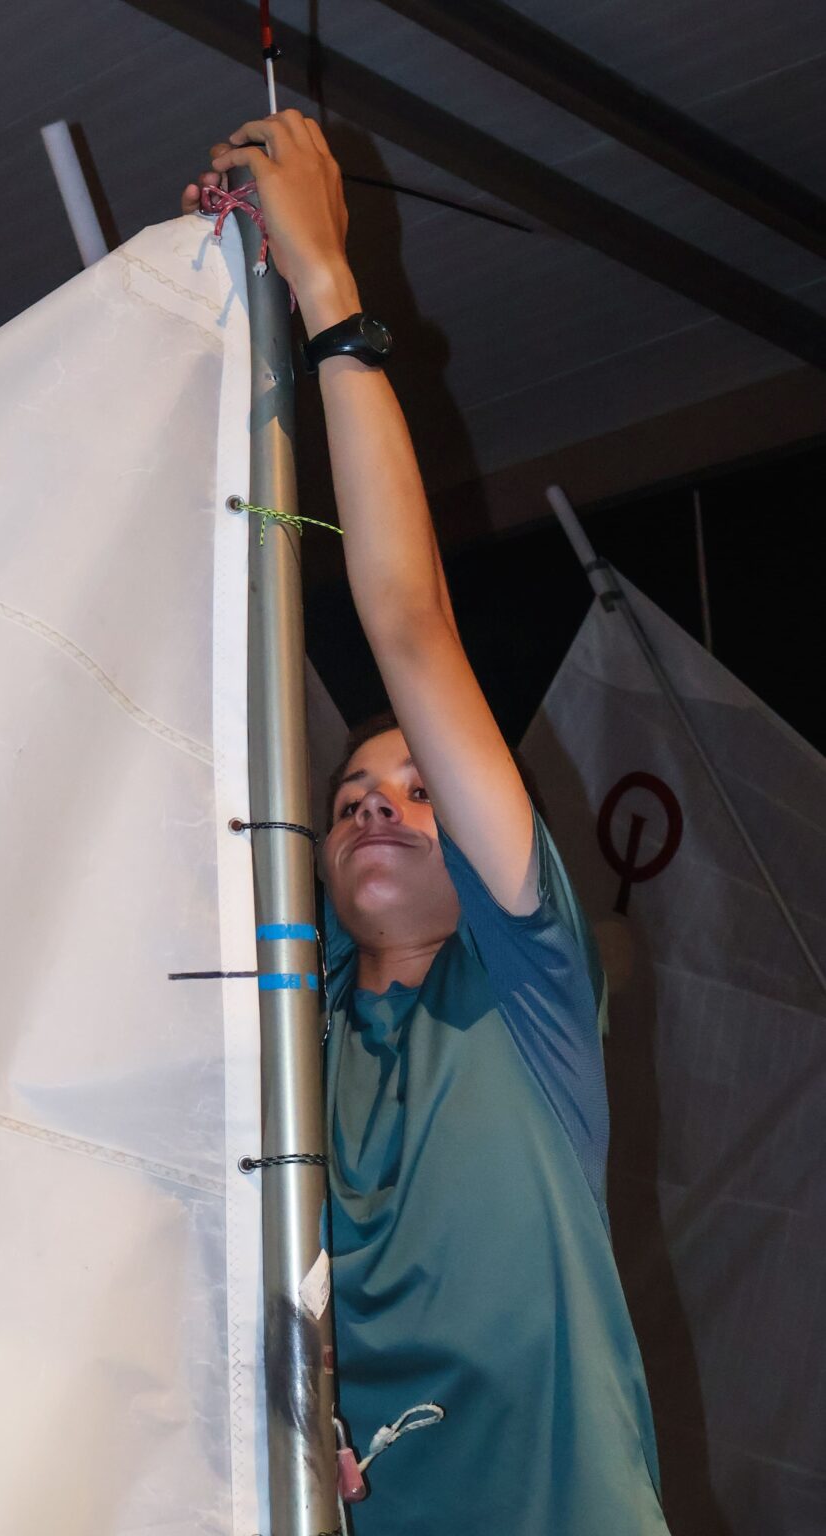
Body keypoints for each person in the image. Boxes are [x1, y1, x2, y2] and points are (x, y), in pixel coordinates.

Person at [184, 114, 670, 1535]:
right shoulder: (300, 1042)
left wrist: (325, 292)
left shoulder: (529, 978)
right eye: (351, 801)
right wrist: (208, 332)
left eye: (416, 791)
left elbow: (408, 628)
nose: (378, 808)